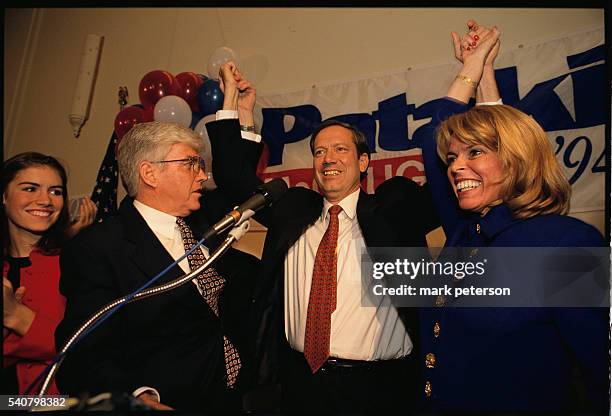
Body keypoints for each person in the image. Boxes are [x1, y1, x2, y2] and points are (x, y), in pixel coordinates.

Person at [206, 62, 440, 412]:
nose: (328, 159)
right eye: (319, 151)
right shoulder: (295, 210)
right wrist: (238, 109)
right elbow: (233, 178)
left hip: (380, 390)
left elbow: (446, 185)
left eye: (340, 150)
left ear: (363, 163)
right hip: (299, 385)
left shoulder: (393, 210)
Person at [418, 21, 609, 412]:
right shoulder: (465, 232)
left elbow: (602, 374)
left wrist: (476, 73)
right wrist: (478, 68)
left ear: (516, 161)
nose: (455, 167)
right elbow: (433, 139)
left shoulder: (567, 243)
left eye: (474, 154)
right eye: (453, 158)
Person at [55, 122, 260, 410]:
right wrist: (136, 395)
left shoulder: (206, 222)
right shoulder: (100, 247)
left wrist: (239, 111)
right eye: (191, 164)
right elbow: (82, 352)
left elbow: (238, 178)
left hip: (234, 398)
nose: (202, 175)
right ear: (149, 173)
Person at [2, 152, 96, 395]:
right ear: (4, 195)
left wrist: (17, 316)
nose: (45, 200)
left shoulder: (77, 264)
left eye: (56, 191)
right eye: (30, 189)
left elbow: (85, 346)